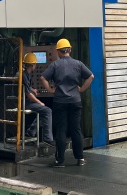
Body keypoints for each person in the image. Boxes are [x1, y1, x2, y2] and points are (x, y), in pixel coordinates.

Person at [40, 38, 93, 167]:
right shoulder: (78, 64)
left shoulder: (55, 65)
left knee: (61, 130)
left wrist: (50, 90)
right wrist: (81, 89)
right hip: (75, 101)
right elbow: (91, 76)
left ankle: (60, 160)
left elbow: (43, 78)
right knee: (76, 129)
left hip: (60, 101)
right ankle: (80, 158)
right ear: (69, 49)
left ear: (58, 51)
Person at [22, 52, 54, 146]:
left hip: (24, 100)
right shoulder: (23, 75)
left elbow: (26, 87)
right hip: (24, 102)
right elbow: (28, 94)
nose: (36, 66)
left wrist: (33, 89)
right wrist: (39, 102)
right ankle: (48, 139)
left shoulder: (26, 74)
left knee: (43, 112)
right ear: (32, 65)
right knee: (47, 111)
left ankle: (31, 132)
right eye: (35, 64)